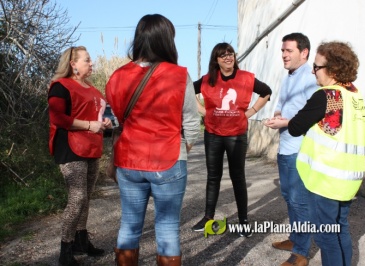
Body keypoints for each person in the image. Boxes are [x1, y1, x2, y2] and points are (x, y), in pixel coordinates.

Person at [265, 41, 365, 266]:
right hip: (348, 180)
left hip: (326, 181)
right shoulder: (354, 95)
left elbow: (295, 127)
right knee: (340, 229)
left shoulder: (326, 96)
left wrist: (286, 120)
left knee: (326, 235)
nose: (313, 71)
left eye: (317, 67)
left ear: (332, 70)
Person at [105, 14, 200, 266]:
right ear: (166, 40)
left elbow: (115, 118)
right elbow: (191, 122)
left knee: (129, 224)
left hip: (128, 161)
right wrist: (183, 147)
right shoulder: (179, 75)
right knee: (167, 227)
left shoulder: (117, 76)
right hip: (168, 159)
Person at [191, 42, 272, 237]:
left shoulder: (245, 78)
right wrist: (202, 110)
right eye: (223, 55)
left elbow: (266, 91)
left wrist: (250, 112)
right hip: (213, 134)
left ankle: (244, 220)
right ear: (216, 60)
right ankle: (208, 218)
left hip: (236, 134)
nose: (228, 57)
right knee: (213, 177)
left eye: (231, 54)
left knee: (238, 177)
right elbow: (187, 91)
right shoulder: (208, 79)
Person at [48, 46, 112, 265]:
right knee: (77, 198)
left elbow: (100, 117)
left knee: (86, 197)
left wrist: (106, 123)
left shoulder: (94, 90)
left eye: (91, 60)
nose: (91, 63)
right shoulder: (61, 87)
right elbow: (57, 117)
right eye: (87, 60)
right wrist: (88, 125)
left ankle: (81, 242)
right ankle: (65, 251)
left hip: (92, 147)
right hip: (69, 147)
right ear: (73, 64)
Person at [264, 33, 319, 265]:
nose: (284, 55)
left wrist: (285, 122)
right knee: (289, 197)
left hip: (300, 149)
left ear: (304, 53)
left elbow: (313, 114)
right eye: (282, 51)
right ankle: (296, 239)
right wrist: (277, 115)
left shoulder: (311, 78)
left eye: (289, 51)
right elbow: (282, 103)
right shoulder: (289, 75)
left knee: (299, 202)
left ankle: (301, 254)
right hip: (285, 147)